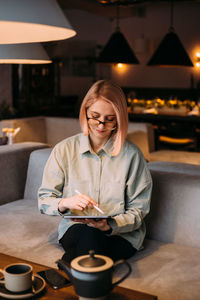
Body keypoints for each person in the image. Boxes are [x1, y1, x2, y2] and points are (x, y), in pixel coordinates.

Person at [38, 80, 152, 263]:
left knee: (90, 247)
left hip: (121, 235)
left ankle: (71, 265)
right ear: (85, 112)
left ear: (119, 119)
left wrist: (109, 226)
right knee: (90, 237)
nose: (100, 125)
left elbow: (138, 211)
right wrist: (66, 202)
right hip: (76, 230)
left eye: (110, 119)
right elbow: (44, 199)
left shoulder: (132, 156)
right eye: (95, 116)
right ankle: (86, 272)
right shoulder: (64, 150)